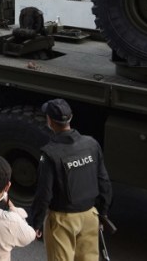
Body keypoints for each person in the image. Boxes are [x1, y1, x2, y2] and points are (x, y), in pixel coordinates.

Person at [30, 99, 112, 261]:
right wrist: (102, 213)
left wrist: (36, 223)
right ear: (71, 117)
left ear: (49, 121)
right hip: (90, 215)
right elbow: (104, 182)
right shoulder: (91, 144)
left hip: (62, 220)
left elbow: (44, 194)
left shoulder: (50, 153)